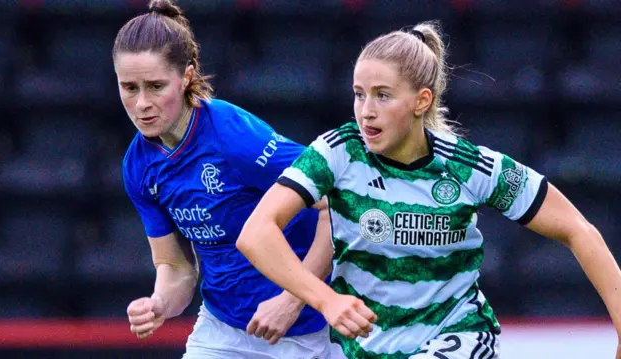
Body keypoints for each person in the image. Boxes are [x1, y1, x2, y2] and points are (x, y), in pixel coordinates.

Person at [236, 21, 621, 359]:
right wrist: (325, 299)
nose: (366, 110)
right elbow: (256, 233)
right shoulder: (337, 153)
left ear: (422, 101)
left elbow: (578, 229)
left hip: (456, 333)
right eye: (359, 93)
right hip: (361, 345)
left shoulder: (469, 167)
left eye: (382, 95)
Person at [112, 1, 343, 358]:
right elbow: (175, 267)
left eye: (156, 86)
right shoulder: (139, 165)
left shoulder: (234, 137)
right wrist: (159, 303)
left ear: (186, 76)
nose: (142, 103)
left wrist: (293, 300)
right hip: (221, 331)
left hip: (307, 333)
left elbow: (338, 202)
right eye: (129, 87)